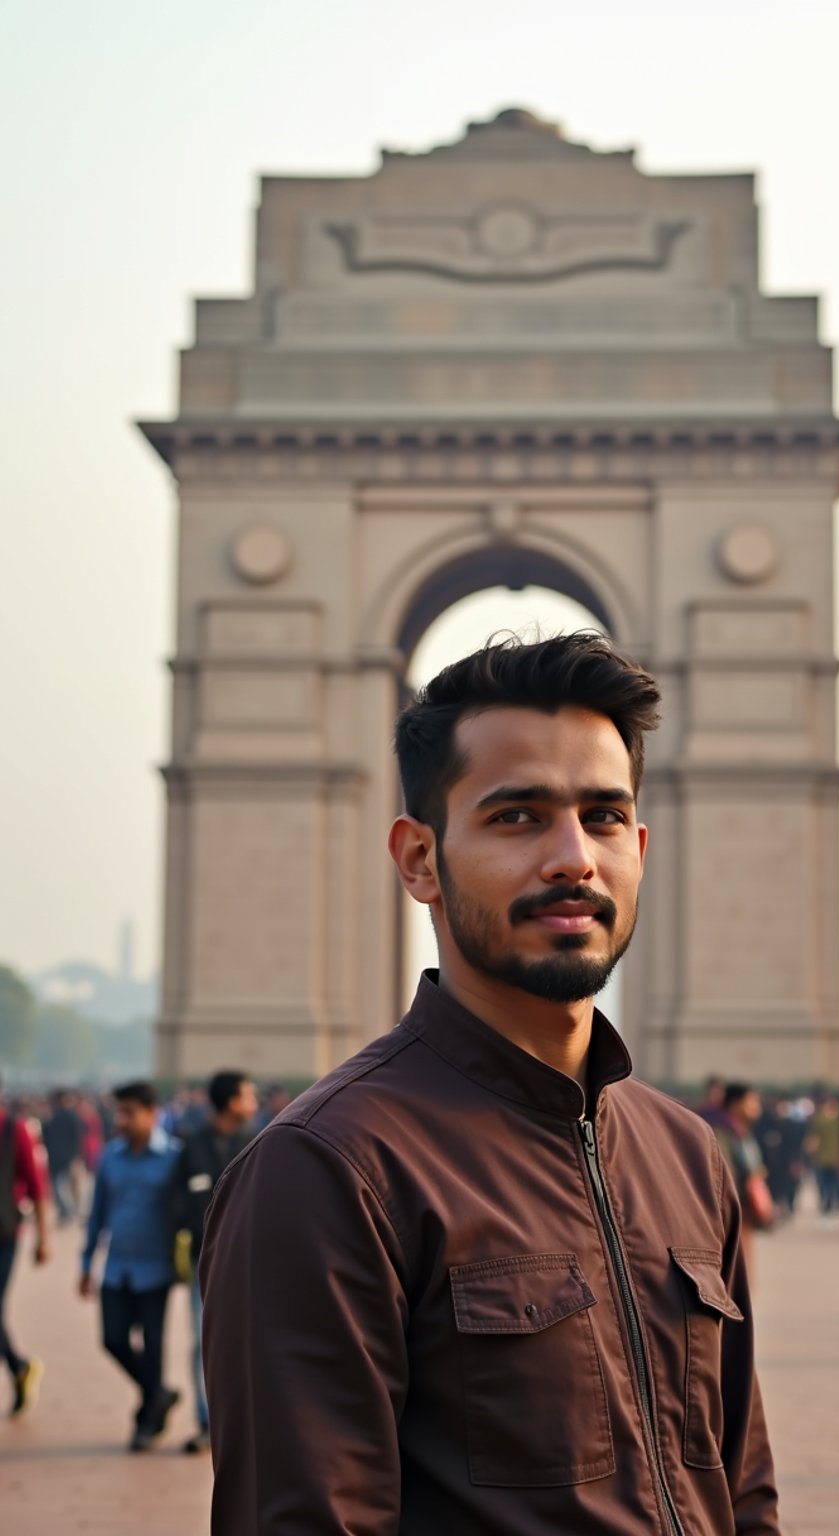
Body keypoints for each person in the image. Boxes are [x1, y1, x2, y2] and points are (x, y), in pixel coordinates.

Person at [202, 633, 781, 1536]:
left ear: (638, 845)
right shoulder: (329, 1171)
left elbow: (740, 1489)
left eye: (600, 816)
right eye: (518, 816)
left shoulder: (684, 1153)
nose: (572, 859)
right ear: (419, 858)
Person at [80, 1080, 182, 1449]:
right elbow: (97, 1213)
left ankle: (147, 1420)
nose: (120, 1119)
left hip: (156, 1268)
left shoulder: (174, 1156)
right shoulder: (110, 1156)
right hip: (117, 1266)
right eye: (119, 1112)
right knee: (113, 1340)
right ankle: (159, 1394)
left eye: (129, 1112)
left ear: (152, 1113)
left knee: (153, 1344)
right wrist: (86, 1260)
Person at [172, 1070, 257, 1453]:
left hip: (246, 1264)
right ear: (231, 1102)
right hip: (203, 1263)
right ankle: (208, 1421)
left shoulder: (257, 1143)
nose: (253, 1103)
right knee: (203, 1342)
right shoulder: (192, 1147)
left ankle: (242, 1422)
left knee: (247, 1340)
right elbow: (177, 1203)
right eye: (248, 1096)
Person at [0, 1078, 49, 1414]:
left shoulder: (14, 1130)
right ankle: (19, 1367)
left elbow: (37, 1186)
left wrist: (44, 1239)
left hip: (4, 1234)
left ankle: (19, 1367)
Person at [716, 1083, 774, 1281]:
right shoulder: (722, 1133)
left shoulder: (741, 1132)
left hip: (745, 1209)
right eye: (751, 1101)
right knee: (734, 1265)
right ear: (735, 1104)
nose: (756, 1106)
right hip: (733, 1208)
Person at [42, 1089, 84, 1224]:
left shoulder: (53, 1118)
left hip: (59, 1158)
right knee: (64, 1187)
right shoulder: (70, 1116)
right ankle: (68, 1212)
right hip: (67, 1157)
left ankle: (67, 1212)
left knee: (60, 1187)